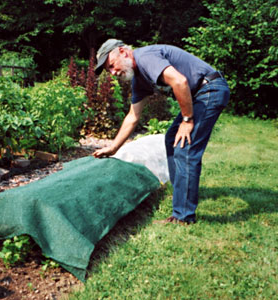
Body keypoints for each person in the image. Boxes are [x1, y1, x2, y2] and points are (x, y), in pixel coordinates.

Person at [92, 39, 230, 225]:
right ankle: (181, 195)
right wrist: (114, 147)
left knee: (185, 147)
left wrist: (188, 120)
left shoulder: (144, 58)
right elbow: (133, 116)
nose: (113, 73)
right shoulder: (139, 80)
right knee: (172, 139)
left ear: (123, 52)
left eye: (111, 65)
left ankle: (183, 217)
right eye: (109, 71)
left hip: (210, 89)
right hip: (199, 93)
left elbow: (180, 81)